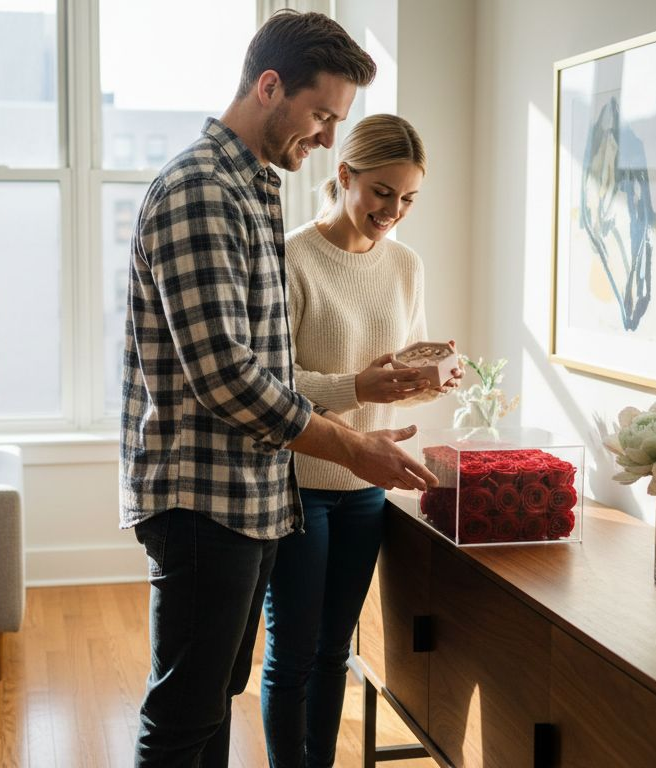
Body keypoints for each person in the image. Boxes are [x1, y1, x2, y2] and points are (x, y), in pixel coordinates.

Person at [119, 11, 438, 768]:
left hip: (247, 499)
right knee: (183, 716)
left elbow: (259, 365)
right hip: (204, 502)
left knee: (206, 712)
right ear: (271, 87)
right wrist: (353, 446)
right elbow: (230, 378)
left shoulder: (251, 185)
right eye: (323, 114)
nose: (329, 138)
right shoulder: (201, 191)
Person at [261, 113, 458, 768]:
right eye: (382, 193)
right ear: (344, 176)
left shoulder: (407, 265)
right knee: (291, 656)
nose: (393, 211)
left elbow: (392, 371)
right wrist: (358, 389)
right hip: (298, 482)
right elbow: (270, 383)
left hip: (369, 487)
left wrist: (433, 374)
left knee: (333, 653)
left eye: (407, 199)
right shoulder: (290, 257)